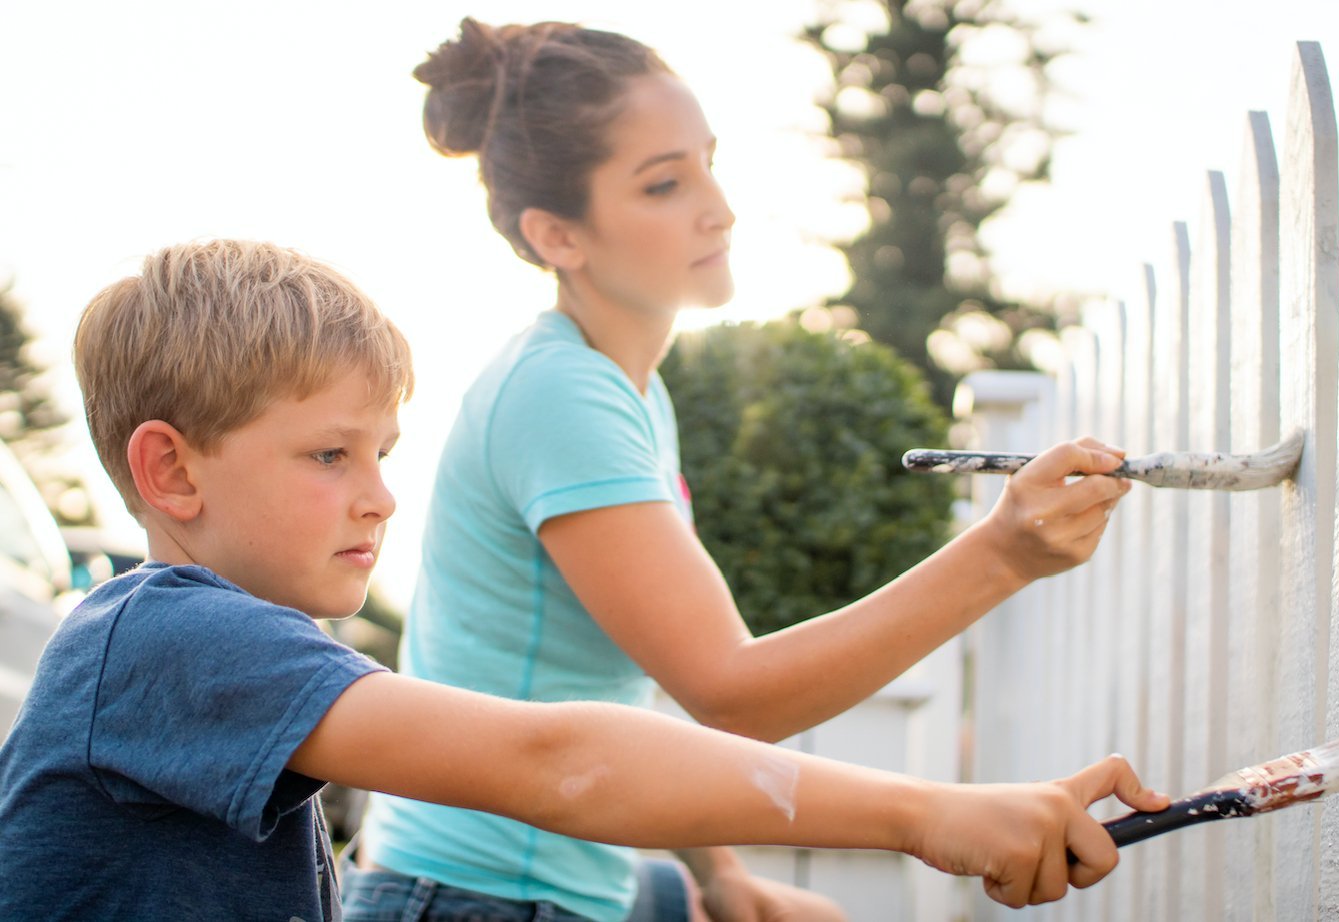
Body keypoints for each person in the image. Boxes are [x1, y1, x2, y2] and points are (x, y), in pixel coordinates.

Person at [0, 239, 1163, 921]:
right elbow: (556, 760)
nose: (379, 497)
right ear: (170, 468)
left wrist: (712, 881)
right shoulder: (175, 639)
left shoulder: (193, 646)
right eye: (328, 454)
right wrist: (924, 813)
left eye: (382, 456)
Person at [350, 17, 1139, 922]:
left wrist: (723, 881)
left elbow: (631, 682)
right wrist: (1003, 552)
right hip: (477, 900)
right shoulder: (559, 395)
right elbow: (731, 693)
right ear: (557, 234)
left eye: (708, 162)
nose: (716, 207)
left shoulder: (621, 390)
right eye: (664, 183)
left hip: (535, 889)